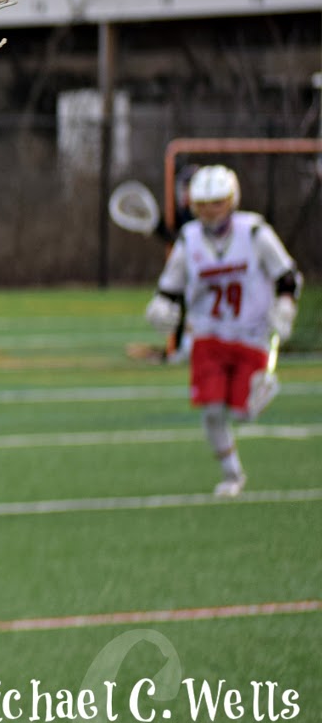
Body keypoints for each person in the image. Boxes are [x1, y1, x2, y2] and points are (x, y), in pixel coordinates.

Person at [144, 164, 302, 496]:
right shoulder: (189, 241)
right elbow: (168, 290)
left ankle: (255, 398)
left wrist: (286, 306)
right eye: (203, 204)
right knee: (212, 410)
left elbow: (287, 277)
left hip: (252, 333)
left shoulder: (255, 233)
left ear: (231, 200)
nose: (210, 211)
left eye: (217, 202)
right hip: (208, 334)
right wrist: (159, 310)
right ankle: (232, 475)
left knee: (244, 413)